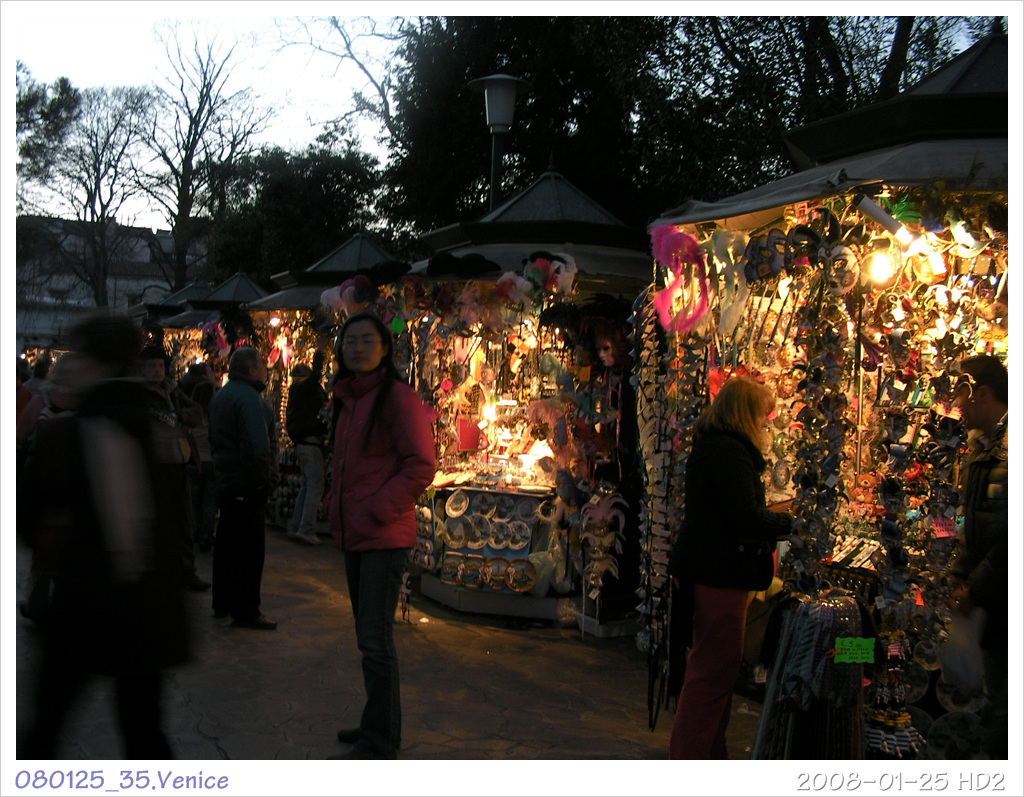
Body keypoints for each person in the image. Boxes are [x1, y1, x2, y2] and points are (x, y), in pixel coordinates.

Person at [17, 314, 191, 759]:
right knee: (143, 730)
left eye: (77, 354)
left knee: (48, 724)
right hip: (148, 610)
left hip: (85, 608)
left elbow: (28, 517)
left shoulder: (71, 434)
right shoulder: (157, 425)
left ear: (95, 362)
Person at [326, 311, 436, 759]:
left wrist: (378, 508)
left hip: (383, 535)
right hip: (355, 531)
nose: (357, 348)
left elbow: (421, 464)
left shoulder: (397, 397)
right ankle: (376, 722)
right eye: (350, 341)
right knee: (366, 637)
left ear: (385, 348)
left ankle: (382, 739)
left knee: (375, 640)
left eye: (367, 340)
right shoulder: (349, 397)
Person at [667, 376, 793, 759]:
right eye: (761, 416)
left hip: (709, 569)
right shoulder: (730, 452)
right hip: (719, 574)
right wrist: (789, 522)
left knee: (714, 671)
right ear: (745, 414)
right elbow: (743, 518)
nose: (764, 425)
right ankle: (691, 757)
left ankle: (707, 754)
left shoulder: (715, 446)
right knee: (712, 672)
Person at [948, 354, 1007, 759]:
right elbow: (973, 522)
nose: (957, 405)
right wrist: (958, 572)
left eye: (961, 394)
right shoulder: (981, 449)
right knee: (994, 697)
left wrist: (975, 588)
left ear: (982, 393)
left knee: (1002, 704)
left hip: (1003, 601)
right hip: (991, 599)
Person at [208, 346, 279, 630]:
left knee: (227, 542)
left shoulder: (223, 395)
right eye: (262, 364)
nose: (266, 368)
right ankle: (246, 609)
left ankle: (223, 601)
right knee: (248, 549)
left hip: (228, 480)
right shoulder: (249, 399)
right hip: (246, 483)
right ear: (251, 369)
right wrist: (263, 479)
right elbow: (257, 447)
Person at [137, 345, 210, 591]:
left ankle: (185, 570)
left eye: (160, 365)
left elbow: (196, 413)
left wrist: (178, 417)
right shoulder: (141, 394)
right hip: (155, 464)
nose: (157, 370)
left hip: (178, 460)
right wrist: (171, 419)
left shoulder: (172, 389)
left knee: (183, 519)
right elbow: (153, 422)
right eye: (152, 366)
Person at [284, 354, 329, 546]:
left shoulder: (299, 392)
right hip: (310, 443)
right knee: (314, 486)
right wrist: (319, 352)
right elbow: (314, 378)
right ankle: (306, 529)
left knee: (307, 486)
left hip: (305, 443)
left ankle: (296, 526)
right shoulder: (303, 388)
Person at [188, 379, 219, 553]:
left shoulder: (193, 417)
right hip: (211, 462)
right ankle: (205, 536)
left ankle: (193, 534)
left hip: (195, 461)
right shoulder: (214, 417)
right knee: (210, 503)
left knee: (194, 501)